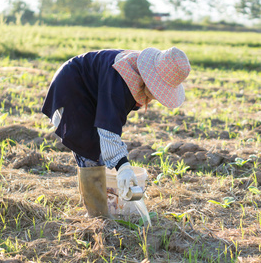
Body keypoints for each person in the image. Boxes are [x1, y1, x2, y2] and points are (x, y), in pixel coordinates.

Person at [41, 47, 191, 218]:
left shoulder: (135, 74)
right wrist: (123, 167)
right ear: (151, 77)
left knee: (99, 150)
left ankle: (101, 209)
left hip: (88, 92)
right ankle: (98, 218)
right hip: (72, 89)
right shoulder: (120, 79)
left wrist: (118, 160)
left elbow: (111, 122)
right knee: (89, 150)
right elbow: (108, 127)